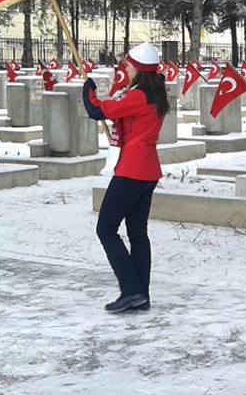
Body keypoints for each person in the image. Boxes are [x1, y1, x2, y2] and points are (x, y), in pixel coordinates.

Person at [82, 43, 169, 313]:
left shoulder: (138, 96)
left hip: (132, 170)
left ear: (139, 70)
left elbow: (97, 110)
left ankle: (131, 290)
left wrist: (88, 90)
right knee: (137, 234)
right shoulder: (154, 93)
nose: (126, 69)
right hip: (148, 171)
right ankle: (141, 295)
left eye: (129, 66)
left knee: (106, 229)